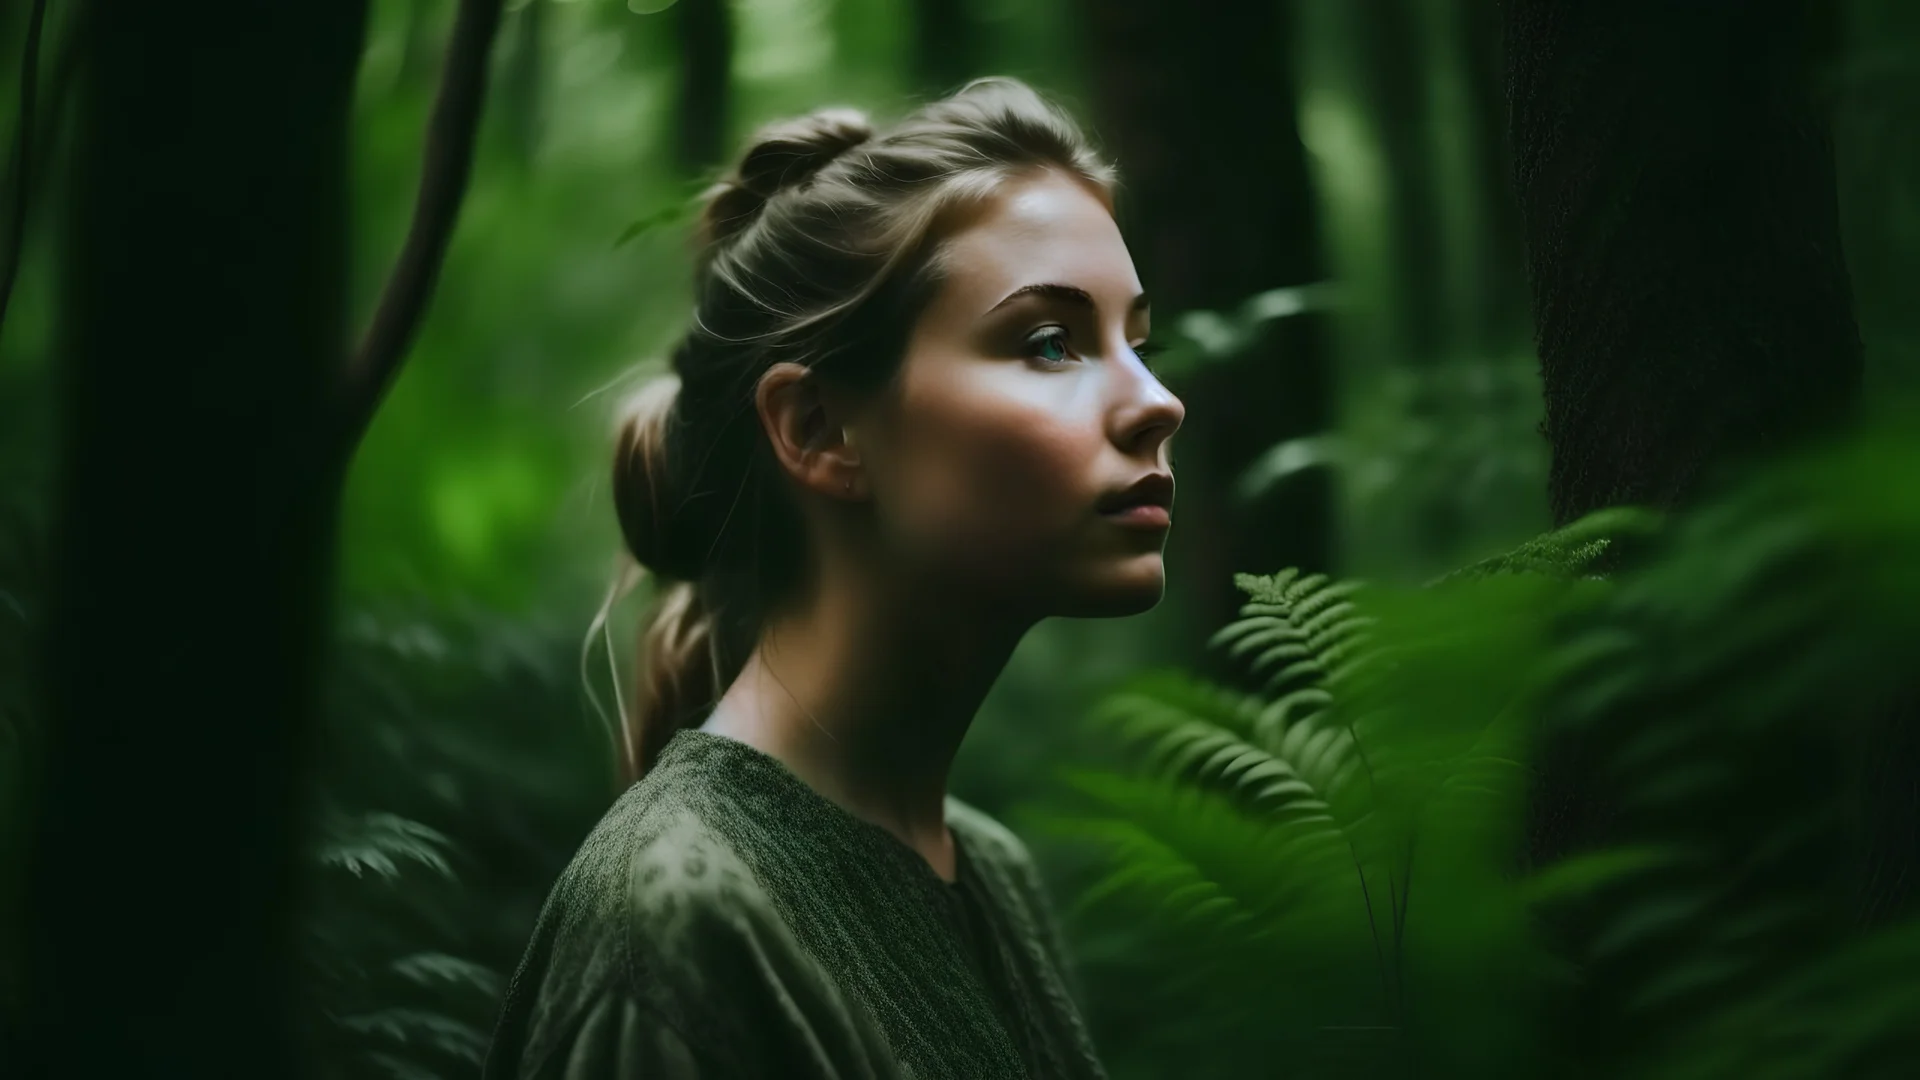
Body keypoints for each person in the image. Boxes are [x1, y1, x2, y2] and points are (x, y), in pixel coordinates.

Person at [483, 76, 1183, 1080]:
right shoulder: (671, 931)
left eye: (1138, 343)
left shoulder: (990, 875)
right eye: (1049, 342)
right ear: (818, 430)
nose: (1158, 402)